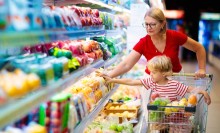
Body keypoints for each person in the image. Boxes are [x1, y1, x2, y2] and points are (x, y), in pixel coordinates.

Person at [105, 7, 207, 79]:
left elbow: (199, 48)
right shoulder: (144, 42)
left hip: (175, 80)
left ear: (162, 24)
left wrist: (202, 69)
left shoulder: (174, 36)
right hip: (152, 83)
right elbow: (126, 64)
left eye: (152, 24)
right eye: (146, 24)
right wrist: (109, 75)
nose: (148, 28)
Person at [102, 55, 211, 105]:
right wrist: (113, 80)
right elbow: (132, 81)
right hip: (157, 118)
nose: (151, 74)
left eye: (154, 72)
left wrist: (202, 91)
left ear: (163, 73)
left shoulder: (175, 85)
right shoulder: (151, 82)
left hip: (173, 119)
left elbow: (189, 89)